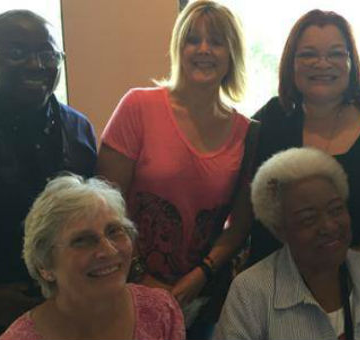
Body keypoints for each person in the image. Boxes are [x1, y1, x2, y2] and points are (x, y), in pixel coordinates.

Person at [96, 1, 253, 336]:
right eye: (192, 39)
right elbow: (104, 208)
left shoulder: (247, 131)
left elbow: (238, 225)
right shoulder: (137, 106)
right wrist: (140, 275)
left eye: (217, 41)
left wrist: (201, 275)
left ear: (232, 53)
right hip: (126, 288)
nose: (203, 50)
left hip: (201, 297)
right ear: (177, 47)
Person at [0, 10, 96, 338]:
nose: (36, 65)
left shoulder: (78, 128)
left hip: (65, 312)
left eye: (47, 54)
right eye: (17, 53)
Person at [246, 9, 360, 267]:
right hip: (272, 280)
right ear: (291, 62)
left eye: (336, 53)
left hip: (355, 283)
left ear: (351, 62)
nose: (322, 63)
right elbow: (243, 197)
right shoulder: (271, 119)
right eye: (308, 54)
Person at [214, 147, 360, 339]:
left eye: (336, 209)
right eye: (308, 218)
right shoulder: (251, 291)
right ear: (279, 229)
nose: (329, 226)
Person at [0, 175, 185, 339]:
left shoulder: (160, 311)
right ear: (44, 266)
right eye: (82, 241)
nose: (109, 251)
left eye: (114, 231)